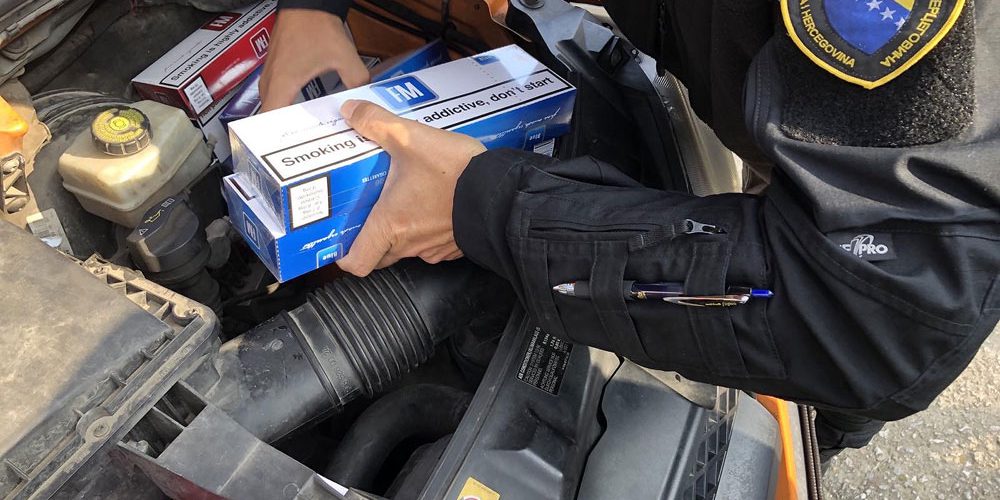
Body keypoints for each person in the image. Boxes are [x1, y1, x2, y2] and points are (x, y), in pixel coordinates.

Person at [260, 0, 999, 463]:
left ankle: (822, 437)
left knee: (796, 421)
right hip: (752, 88)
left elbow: (872, 311)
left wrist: (486, 207)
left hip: (861, 213)